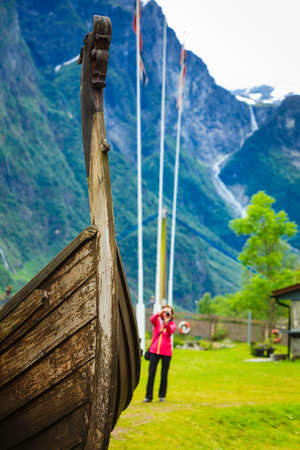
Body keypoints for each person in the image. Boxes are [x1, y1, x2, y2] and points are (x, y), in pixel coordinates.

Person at [144, 305, 176, 403]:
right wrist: (160, 312)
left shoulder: (172, 324)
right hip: (154, 351)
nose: (166, 314)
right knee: (151, 374)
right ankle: (148, 397)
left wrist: (167, 322)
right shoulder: (157, 321)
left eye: (168, 312)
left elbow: (171, 331)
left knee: (164, 374)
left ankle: (162, 396)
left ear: (171, 314)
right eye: (165, 312)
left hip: (166, 353)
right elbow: (151, 319)